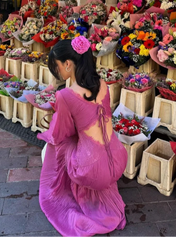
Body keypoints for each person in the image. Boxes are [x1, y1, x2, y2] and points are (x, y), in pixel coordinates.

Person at [37, 36, 128, 237]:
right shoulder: (103, 83)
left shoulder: (66, 95)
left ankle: (73, 192)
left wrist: (47, 128)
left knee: (54, 145)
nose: (58, 71)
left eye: (57, 66)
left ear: (68, 64)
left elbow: (62, 133)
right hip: (119, 158)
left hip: (92, 169)